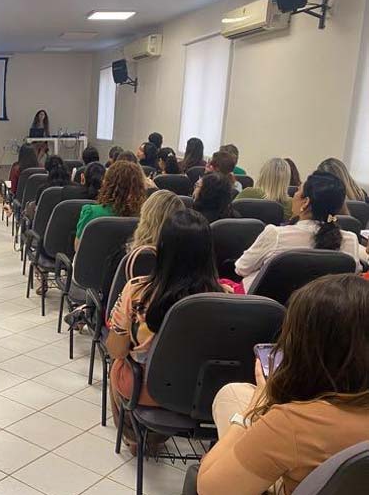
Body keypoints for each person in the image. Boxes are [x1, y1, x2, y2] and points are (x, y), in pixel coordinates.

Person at [198, 274, 369, 495]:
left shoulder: (291, 424)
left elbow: (209, 489)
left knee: (235, 400)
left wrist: (250, 413)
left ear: (303, 348)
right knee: (233, 392)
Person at [108, 209, 233, 453]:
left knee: (117, 363)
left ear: (161, 248)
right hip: (206, 392)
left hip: (147, 392)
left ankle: (135, 437)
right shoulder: (227, 297)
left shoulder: (136, 292)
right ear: (209, 252)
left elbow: (116, 348)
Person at [235, 171, 366, 292]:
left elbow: (242, 268)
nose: (294, 195)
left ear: (306, 202)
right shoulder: (351, 240)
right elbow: (354, 276)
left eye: (298, 191)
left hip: (269, 313)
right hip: (325, 314)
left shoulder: (276, 235)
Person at [75, 160, 146, 248]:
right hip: (128, 261)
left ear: (107, 183)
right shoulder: (144, 217)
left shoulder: (91, 212)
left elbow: (78, 248)